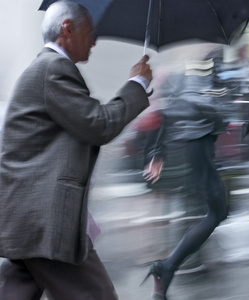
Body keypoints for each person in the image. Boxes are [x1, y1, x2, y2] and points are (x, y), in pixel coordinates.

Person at [0, 1, 152, 299]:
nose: (94, 42)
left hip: (27, 219)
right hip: (46, 221)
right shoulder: (53, 69)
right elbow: (98, 125)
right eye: (90, 32)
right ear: (67, 29)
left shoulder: (43, 69)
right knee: (97, 295)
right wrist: (137, 83)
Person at [142, 61, 228, 300]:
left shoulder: (205, 64)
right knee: (217, 213)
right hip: (197, 141)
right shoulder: (197, 63)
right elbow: (176, 106)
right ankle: (166, 267)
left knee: (217, 213)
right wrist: (157, 153)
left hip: (200, 143)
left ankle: (166, 269)